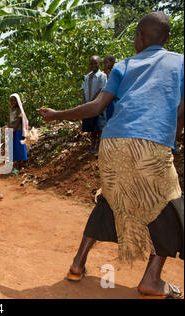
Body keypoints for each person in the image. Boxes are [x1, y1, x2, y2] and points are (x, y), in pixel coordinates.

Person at [38, 12, 184, 299]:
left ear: (139, 37)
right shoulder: (181, 62)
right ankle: (151, 280)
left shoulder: (125, 65)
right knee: (170, 209)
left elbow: (95, 107)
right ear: (167, 39)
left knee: (110, 201)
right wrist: (173, 136)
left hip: (113, 144)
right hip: (151, 146)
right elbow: (181, 111)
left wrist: (56, 115)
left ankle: (77, 264)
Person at [81, 56, 108, 154]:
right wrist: (84, 103)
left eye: (95, 63)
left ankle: (99, 146)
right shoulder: (87, 77)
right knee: (92, 127)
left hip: (98, 105)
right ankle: (92, 144)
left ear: (99, 64)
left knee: (99, 126)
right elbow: (83, 91)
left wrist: (92, 101)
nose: (93, 65)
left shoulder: (102, 76)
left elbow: (101, 90)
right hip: (89, 106)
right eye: (91, 63)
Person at [8, 93, 29, 174]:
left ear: (17, 101)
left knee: (20, 147)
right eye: (11, 100)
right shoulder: (11, 109)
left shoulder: (19, 109)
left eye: (14, 100)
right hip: (12, 130)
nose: (12, 102)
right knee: (14, 148)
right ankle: (17, 166)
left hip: (18, 131)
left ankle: (21, 166)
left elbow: (18, 120)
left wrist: (13, 129)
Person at [103, 55, 116, 122]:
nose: (105, 64)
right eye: (104, 63)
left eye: (106, 62)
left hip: (114, 101)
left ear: (112, 62)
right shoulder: (104, 73)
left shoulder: (116, 72)